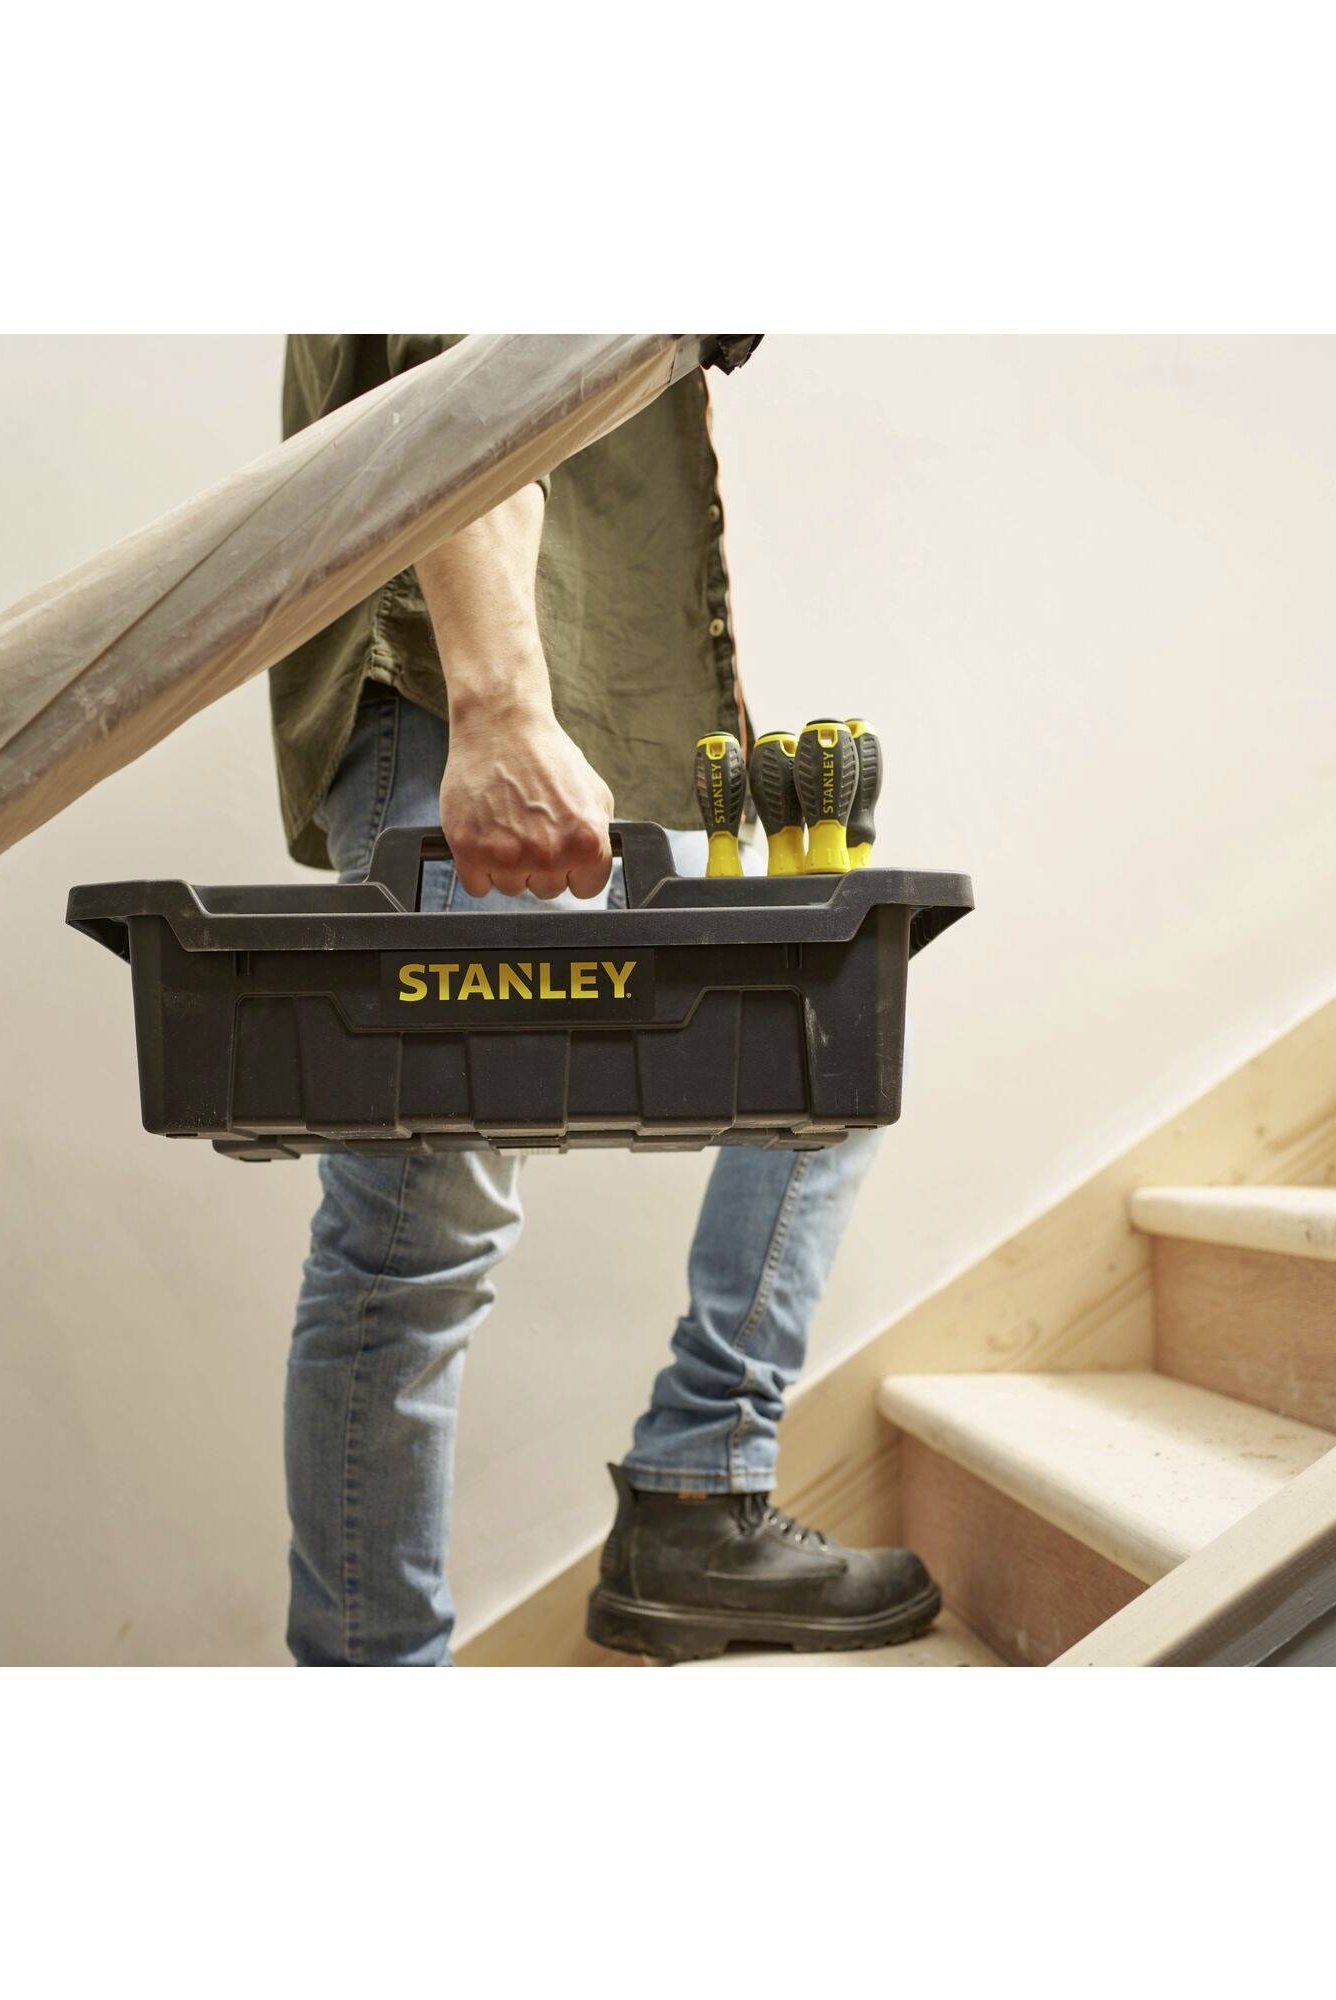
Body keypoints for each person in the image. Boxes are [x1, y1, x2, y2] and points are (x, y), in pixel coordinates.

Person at [268, 336, 938, 1666]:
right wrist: (498, 704)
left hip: (627, 721)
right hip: (459, 703)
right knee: (418, 1226)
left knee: (828, 1037)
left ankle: (700, 1491)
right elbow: (456, 385)